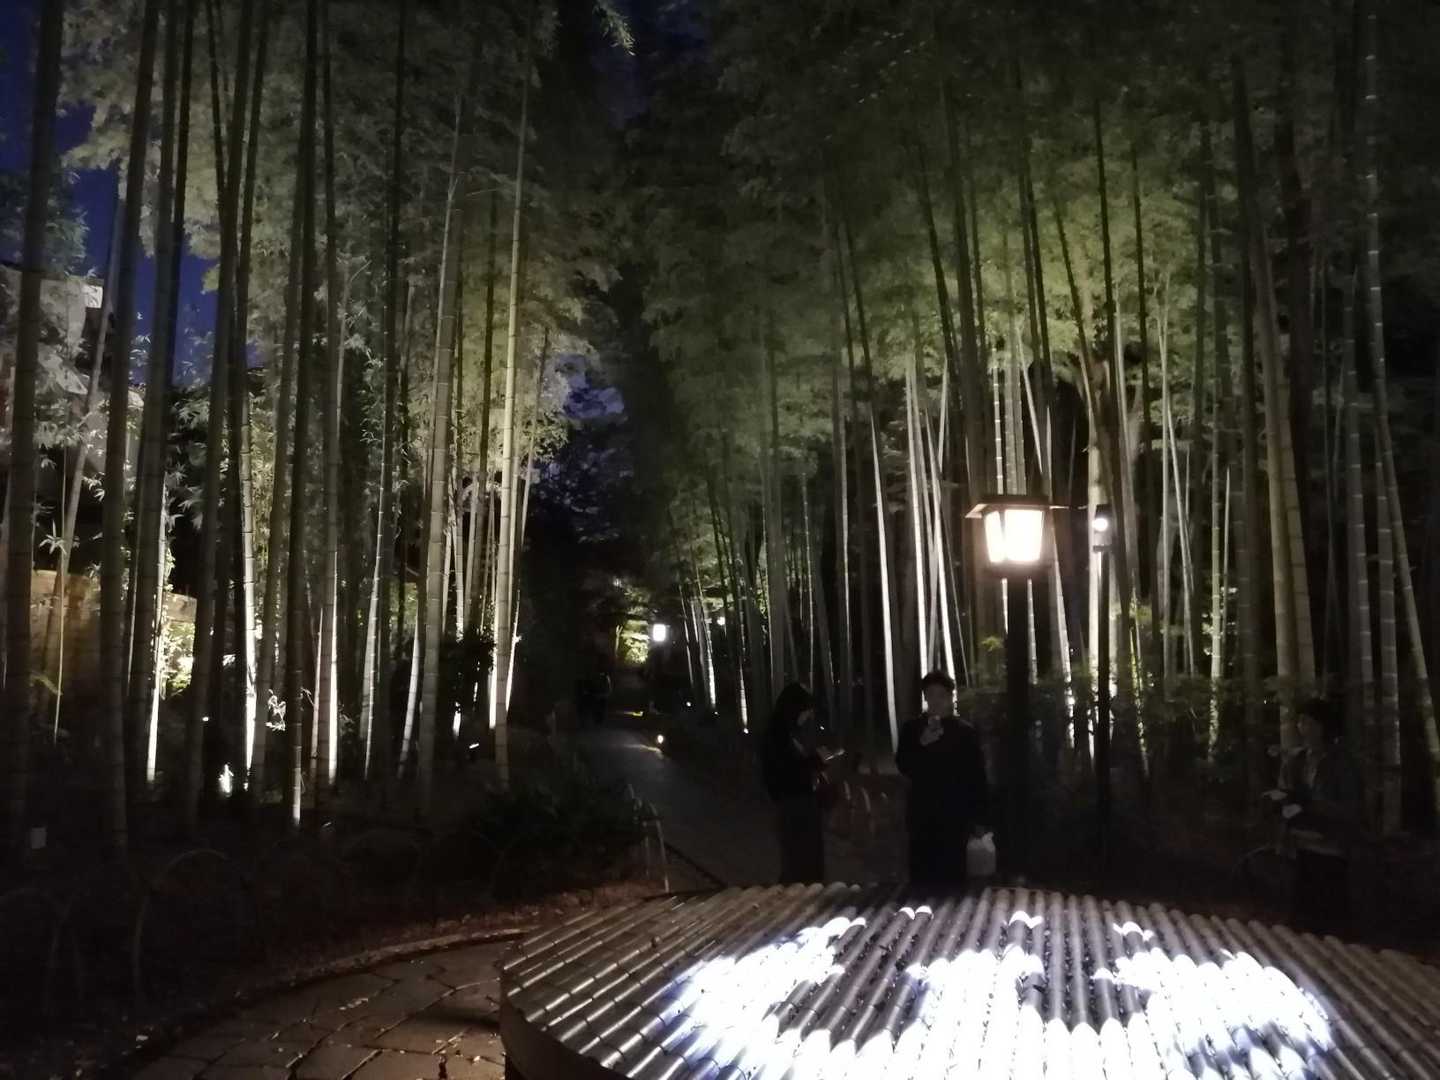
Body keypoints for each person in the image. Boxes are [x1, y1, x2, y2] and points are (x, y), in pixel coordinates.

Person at [896, 670, 989, 889]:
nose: (936, 701)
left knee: (952, 878)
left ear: (950, 697)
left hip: (954, 815)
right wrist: (922, 744)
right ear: (925, 697)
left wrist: (980, 817)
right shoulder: (912, 729)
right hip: (922, 813)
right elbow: (904, 766)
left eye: (941, 695)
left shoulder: (965, 732)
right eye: (930, 695)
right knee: (921, 877)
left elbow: (977, 776)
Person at [1279, 697, 1362, 934]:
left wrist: (1313, 806)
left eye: (1308, 722)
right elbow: (1286, 792)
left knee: (1329, 920)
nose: (1302, 727)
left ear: (1322, 726)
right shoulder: (1296, 760)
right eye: (1300, 721)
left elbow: (1350, 808)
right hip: (1300, 845)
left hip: (1330, 848)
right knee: (1300, 920)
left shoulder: (1341, 762)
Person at [760, 684, 827, 884]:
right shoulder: (777, 736)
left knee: (800, 863)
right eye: (805, 711)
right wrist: (813, 763)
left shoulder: (785, 733)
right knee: (800, 864)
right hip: (793, 808)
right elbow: (786, 771)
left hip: (796, 806)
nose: (806, 716)